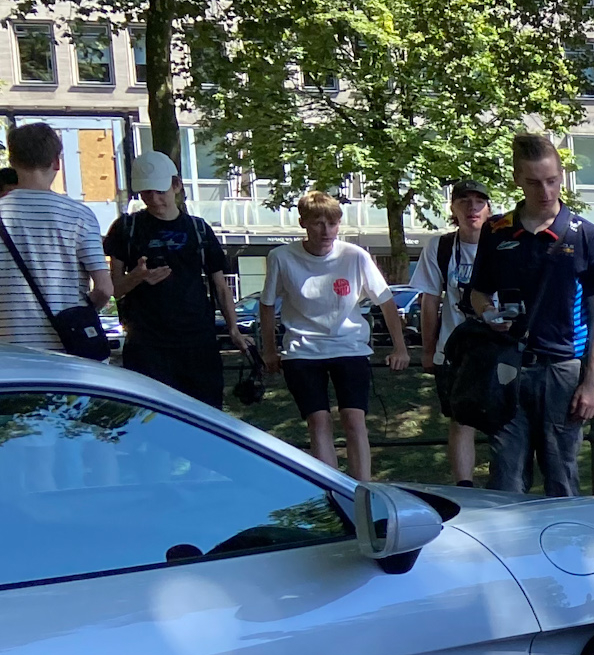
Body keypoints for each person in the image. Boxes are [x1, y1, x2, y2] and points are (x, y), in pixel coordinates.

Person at [467, 132, 594, 496]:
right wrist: (487, 314)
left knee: (562, 480)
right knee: (505, 481)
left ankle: (567, 550)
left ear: (562, 176)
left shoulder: (586, 235)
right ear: (517, 179)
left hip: (562, 369)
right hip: (507, 367)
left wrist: (592, 383)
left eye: (552, 180)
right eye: (533, 182)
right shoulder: (496, 231)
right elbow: (477, 292)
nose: (545, 192)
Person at [260, 190, 407, 478]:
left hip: (349, 347)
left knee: (354, 419)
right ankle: (332, 488)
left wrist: (399, 346)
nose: (325, 230)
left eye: (332, 223)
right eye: (317, 223)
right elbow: (267, 306)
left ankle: (362, 488)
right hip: (303, 349)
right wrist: (269, 350)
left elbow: (386, 300)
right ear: (303, 223)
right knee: (318, 421)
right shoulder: (281, 257)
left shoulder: (355, 255)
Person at [104, 150, 241, 404]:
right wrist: (137, 276)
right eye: (147, 194)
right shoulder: (126, 229)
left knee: (205, 417)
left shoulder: (199, 229)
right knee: (152, 418)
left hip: (198, 341)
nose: (154, 200)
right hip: (147, 344)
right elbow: (113, 288)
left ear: (176, 186)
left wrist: (233, 330)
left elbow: (220, 285)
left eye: (160, 191)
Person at [0, 123, 111, 353]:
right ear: (56, 162)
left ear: (12, 162)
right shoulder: (80, 216)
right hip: (68, 350)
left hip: (8, 355)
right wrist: (82, 312)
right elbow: (104, 288)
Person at [412, 177, 493, 483]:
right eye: (464, 201)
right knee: (460, 420)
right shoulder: (441, 247)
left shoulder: (502, 243)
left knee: (506, 417)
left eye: (479, 201)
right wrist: (429, 349)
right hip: (455, 347)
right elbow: (429, 301)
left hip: (500, 345)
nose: (472, 208)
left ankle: (506, 487)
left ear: (488, 208)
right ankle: (466, 486)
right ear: (453, 208)